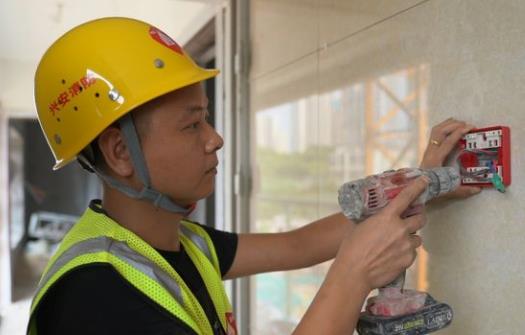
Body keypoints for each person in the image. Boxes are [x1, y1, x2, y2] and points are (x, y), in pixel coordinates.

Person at [27, 17, 481, 335]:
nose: (215, 138)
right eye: (192, 125)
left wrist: (423, 185)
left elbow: (298, 246)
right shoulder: (95, 299)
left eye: (206, 117)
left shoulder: (178, 244)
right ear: (121, 152)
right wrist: (353, 275)